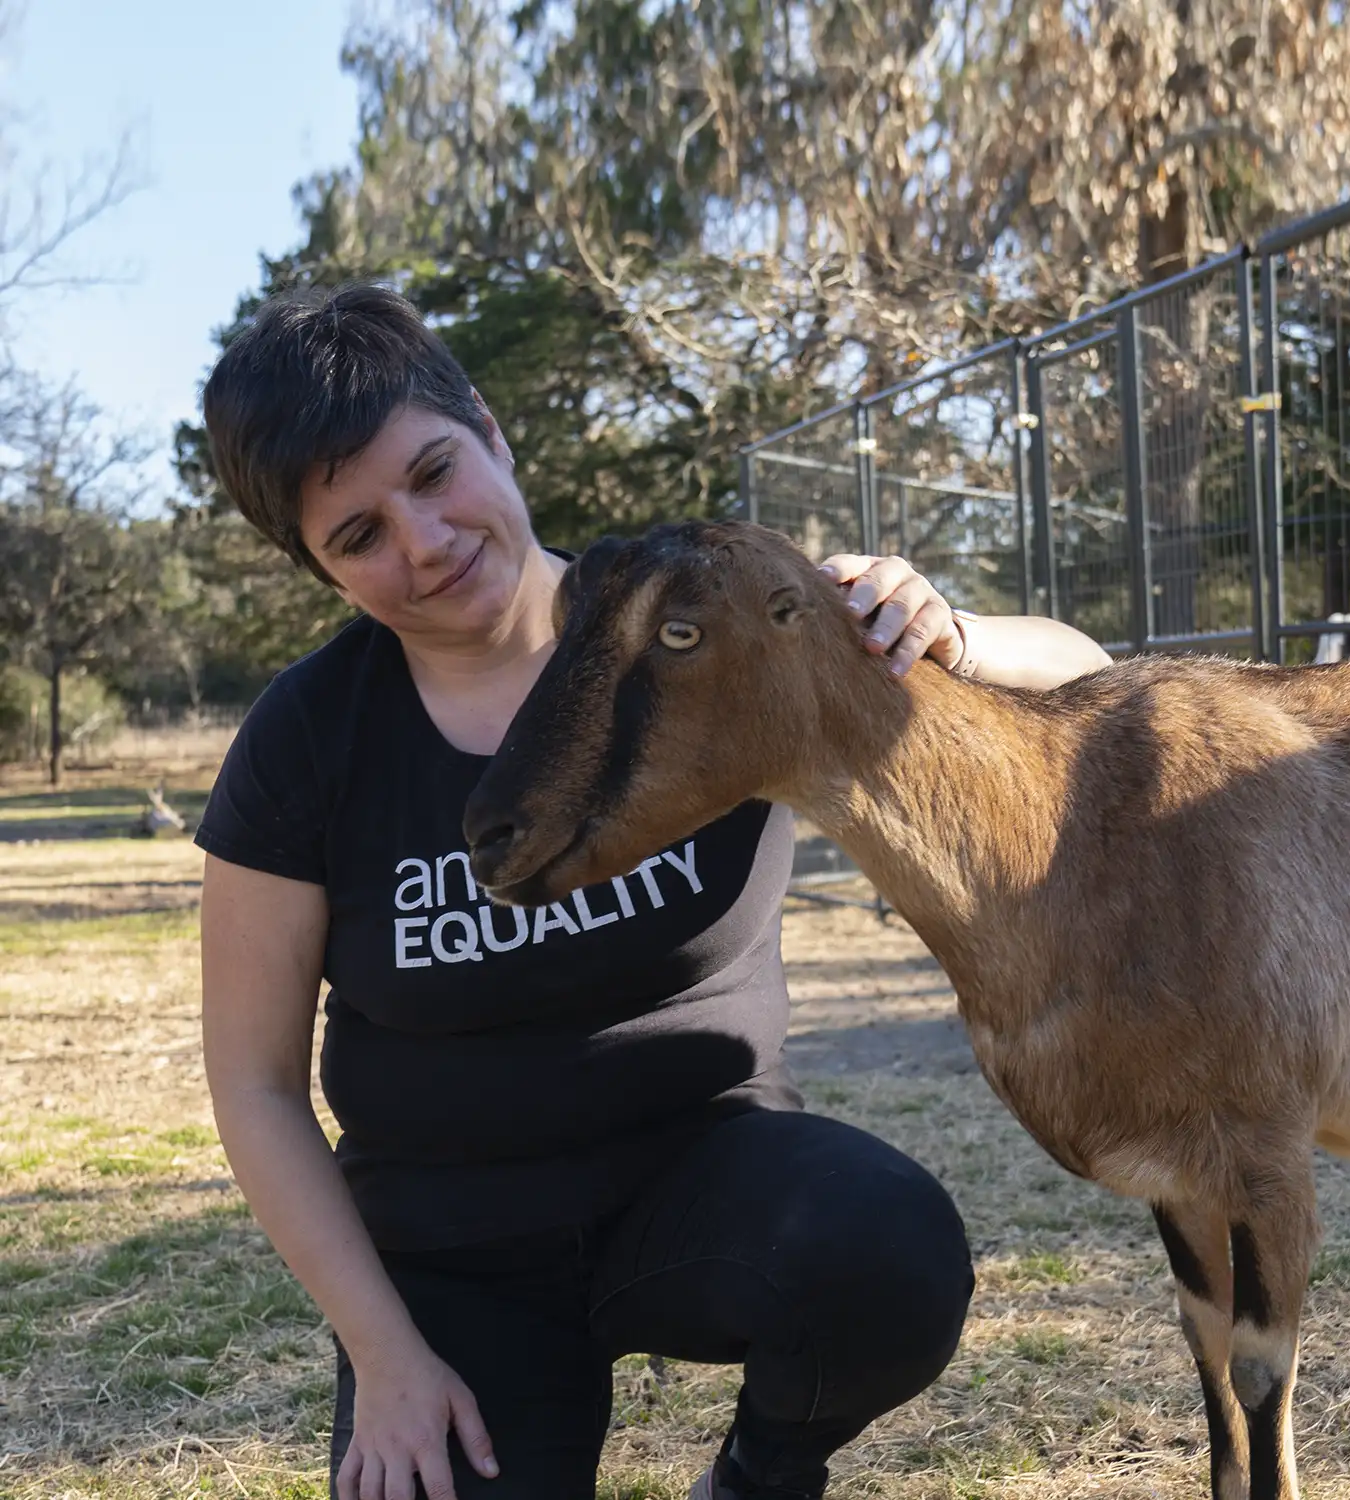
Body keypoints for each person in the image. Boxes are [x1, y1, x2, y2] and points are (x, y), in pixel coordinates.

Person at [194, 283, 1113, 1500]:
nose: (420, 542)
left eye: (431, 472)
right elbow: (253, 1084)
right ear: (317, 567)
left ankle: (758, 1476)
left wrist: (955, 630)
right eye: (356, 534)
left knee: (887, 1252)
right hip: (450, 1247)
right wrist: (388, 1354)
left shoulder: (708, 623)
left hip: (712, 1170)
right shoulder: (307, 741)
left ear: (489, 432)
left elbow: (1090, 683)